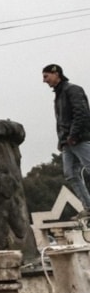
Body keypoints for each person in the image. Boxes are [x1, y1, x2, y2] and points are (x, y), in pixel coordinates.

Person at [42, 64, 90, 215]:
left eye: (46, 76)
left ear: (56, 74)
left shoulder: (73, 90)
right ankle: (88, 207)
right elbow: (62, 120)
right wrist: (62, 141)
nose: (44, 80)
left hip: (79, 139)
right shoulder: (60, 94)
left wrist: (74, 135)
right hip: (67, 142)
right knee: (70, 174)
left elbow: (81, 113)